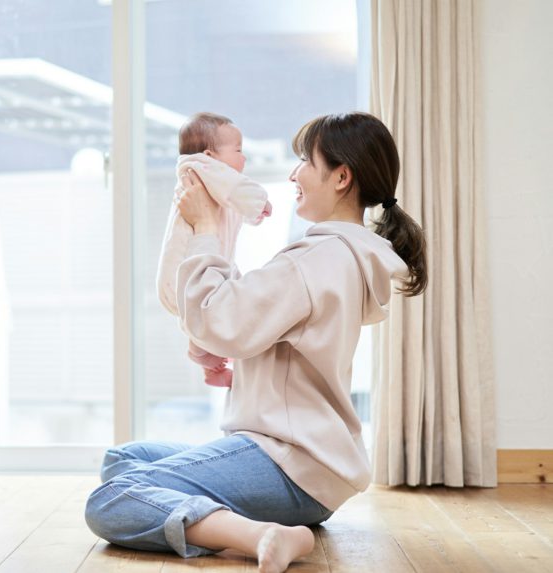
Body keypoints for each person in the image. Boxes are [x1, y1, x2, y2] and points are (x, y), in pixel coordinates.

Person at [84, 112, 428, 573]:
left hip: (289, 465)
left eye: (306, 161)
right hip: (310, 469)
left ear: (342, 177)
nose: (294, 174)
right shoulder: (342, 255)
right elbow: (258, 330)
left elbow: (217, 320)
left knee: (111, 499)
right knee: (123, 460)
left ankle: (261, 533)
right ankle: (244, 517)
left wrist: (206, 228)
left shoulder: (318, 258)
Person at [156, 112, 273, 388]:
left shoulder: (210, 181)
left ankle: (208, 363)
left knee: (217, 305)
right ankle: (204, 353)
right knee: (212, 308)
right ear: (210, 155)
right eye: (238, 150)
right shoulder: (201, 169)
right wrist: (260, 202)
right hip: (185, 275)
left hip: (194, 273)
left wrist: (250, 214)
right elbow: (238, 190)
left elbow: (232, 205)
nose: (243, 158)